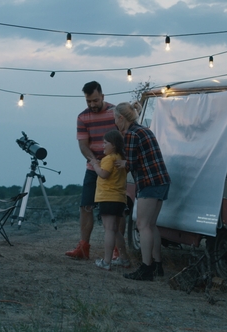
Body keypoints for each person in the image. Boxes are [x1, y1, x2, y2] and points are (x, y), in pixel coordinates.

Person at [66, 81, 123, 260]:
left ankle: (117, 249)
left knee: (116, 210)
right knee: (86, 206)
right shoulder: (82, 117)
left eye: (95, 100)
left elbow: (124, 138)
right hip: (93, 168)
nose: (92, 105)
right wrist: (95, 161)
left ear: (103, 96)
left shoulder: (115, 113)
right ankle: (83, 247)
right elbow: (83, 145)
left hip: (114, 169)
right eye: (88, 101)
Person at [114, 102, 170, 281]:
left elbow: (131, 164)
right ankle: (157, 265)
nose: (115, 123)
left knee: (143, 225)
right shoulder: (144, 130)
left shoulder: (131, 134)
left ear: (121, 118)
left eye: (115, 119)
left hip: (149, 182)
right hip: (161, 181)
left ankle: (146, 268)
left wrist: (121, 164)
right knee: (151, 225)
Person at [88, 129, 130, 270]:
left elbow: (104, 174)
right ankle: (124, 259)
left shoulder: (109, 159)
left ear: (114, 144)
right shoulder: (120, 158)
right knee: (116, 230)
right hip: (119, 199)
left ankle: (106, 262)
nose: (102, 145)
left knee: (109, 230)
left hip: (108, 197)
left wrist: (95, 165)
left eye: (105, 143)